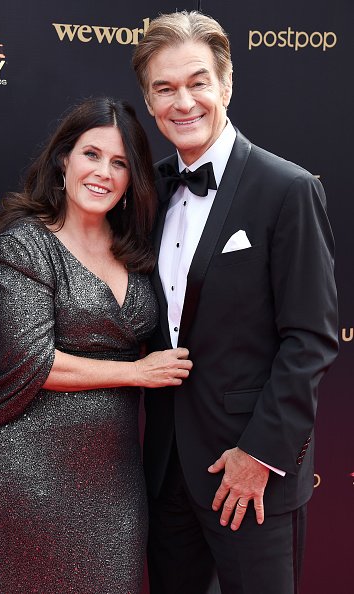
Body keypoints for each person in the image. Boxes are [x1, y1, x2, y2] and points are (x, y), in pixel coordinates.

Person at [132, 11, 338, 594]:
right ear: (149, 104)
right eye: (164, 89)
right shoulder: (149, 192)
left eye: (198, 82)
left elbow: (312, 338)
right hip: (166, 471)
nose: (184, 101)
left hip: (249, 473)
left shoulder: (288, 189)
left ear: (226, 85)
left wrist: (260, 454)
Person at [0, 96, 192, 594]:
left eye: (120, 163)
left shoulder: (137, 249)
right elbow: (33, 362)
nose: (103, 173)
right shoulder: (24, 242)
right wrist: (136, 373)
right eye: (91, 154)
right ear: (64, 159)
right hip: (25, 466)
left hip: (114, 473)